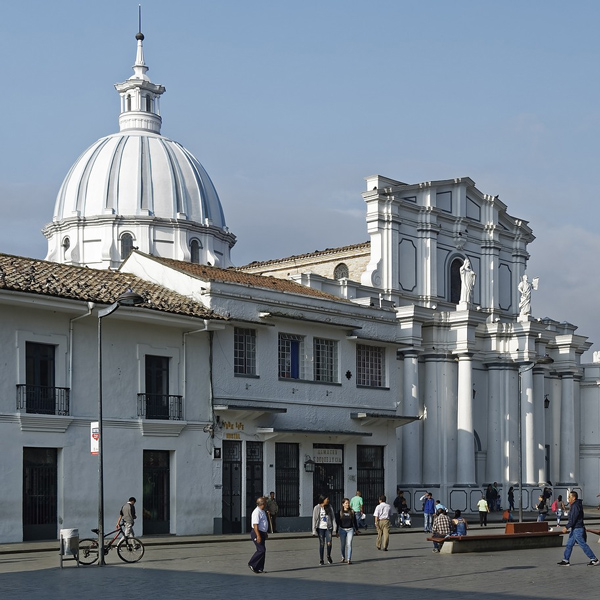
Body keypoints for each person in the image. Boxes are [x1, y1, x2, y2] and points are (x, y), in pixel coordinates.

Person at [557, 490, 599, 567]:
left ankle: (594, 559)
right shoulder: (575, 504)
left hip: (577, 528)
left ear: (574, 497)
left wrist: (567, 527)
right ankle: (566, 560)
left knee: (582, 544)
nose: (568, 498)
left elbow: (574, 518)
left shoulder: (575, 505)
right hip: (575, 528)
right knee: (569, 544)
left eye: (569, 497)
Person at [312, 495, 337, 565]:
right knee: (322, 544)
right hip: (320, 528)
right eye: (327, 499)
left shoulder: (329, 507)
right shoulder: (317, 508)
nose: (328, 500)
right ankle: (321, 559)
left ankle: (328, 555)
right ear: (323, 500)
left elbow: (333, 518)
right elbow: (314, 519)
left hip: (328, 528)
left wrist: (335, 528)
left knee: (329, 543)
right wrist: (313, 530)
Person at [248, 496, 269, 573]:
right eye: (265, 503)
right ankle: (252, 563)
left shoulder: (262, 511)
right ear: (262, 504)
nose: (266, 504)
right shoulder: (256, 512)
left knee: (263, 550)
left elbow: (263, 523)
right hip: (257, 533)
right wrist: (258, 535)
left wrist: (265, 532)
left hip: (262, 532)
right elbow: (255, 525)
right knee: (261, 550)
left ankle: (259, 568)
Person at [336, 498, 357, 564]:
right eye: (346, 503)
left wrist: (356, 529)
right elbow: (338, 522)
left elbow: (355, 521)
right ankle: (343, 557)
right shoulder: (340, 512)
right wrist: (336, 531)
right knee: (343, 544)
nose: (348, 504)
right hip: (342, 530)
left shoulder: (352, 512)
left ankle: (349, 559)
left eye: (348, 503)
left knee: (349, 544)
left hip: (350, 529)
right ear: (343, 504)